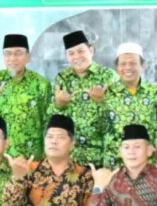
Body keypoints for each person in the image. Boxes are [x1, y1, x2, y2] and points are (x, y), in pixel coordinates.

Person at [0, 34, 51, 160]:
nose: (12, 58)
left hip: (32, 157)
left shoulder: (41, 84)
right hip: (0, 156)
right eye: (7, 54)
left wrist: (47, 156)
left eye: (18, 53)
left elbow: (48, 121)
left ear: (28, 57)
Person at [48, 30, 117, 167]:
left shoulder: (108, 77)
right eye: (71, 53)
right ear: (67, 57)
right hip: (70, 159)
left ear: (91, 51)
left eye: (81, 51)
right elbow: (51, 120)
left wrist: (101, 103)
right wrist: (59, 105)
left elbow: (119, 118)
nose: (76, 57)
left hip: (101, 157)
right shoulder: (62, 79)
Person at [104, 42, 157, 168]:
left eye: (133, 63)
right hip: (115, 166)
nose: (128, 68)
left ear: (143, 65)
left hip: (148, 165)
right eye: (123, 64)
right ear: (117, 67)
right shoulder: (106, 94)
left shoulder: (154, 93)